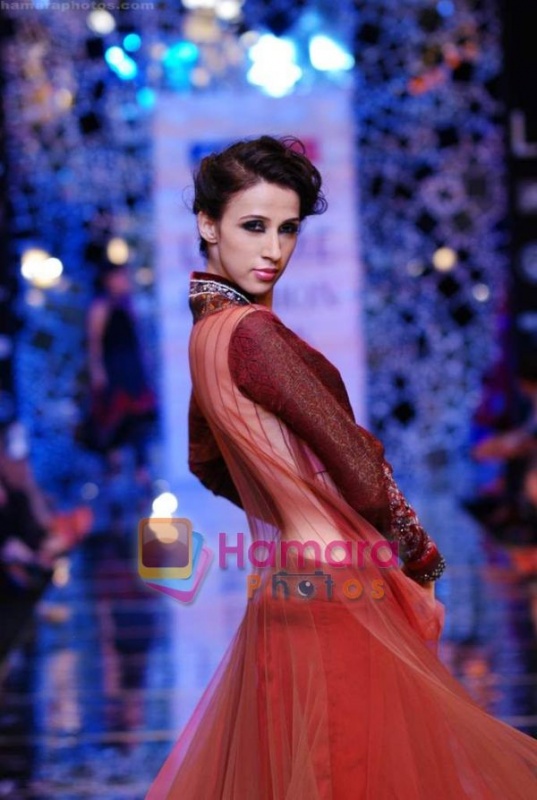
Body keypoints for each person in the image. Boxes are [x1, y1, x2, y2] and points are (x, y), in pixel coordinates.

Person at [147, 136, 537, 799]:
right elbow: (358, 470)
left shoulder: (206, 333)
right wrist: (422, 560)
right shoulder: (254, 335)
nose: (275, 249)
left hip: (284, 586)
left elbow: (205, 462)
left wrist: (286, 501)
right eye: (253, 226)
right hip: (338, 587)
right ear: (208, 224)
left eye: (289, 228)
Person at [84, 262, 157, 486]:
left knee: (138, 414)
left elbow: (136, 336)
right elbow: (94, 342)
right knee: (115, 414)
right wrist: (97, 370)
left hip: (132, 365)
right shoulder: (100, 307)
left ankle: (141, 468)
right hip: (114, 366)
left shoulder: (128, 304)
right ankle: (113, 466)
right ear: (108, 280)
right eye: (121, 277)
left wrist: (144, 360)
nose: (125, 281)